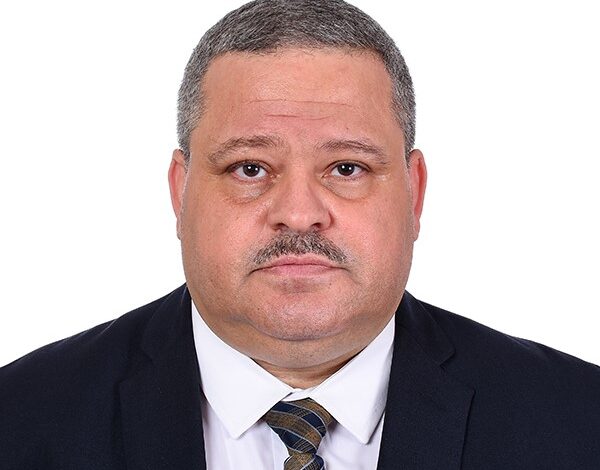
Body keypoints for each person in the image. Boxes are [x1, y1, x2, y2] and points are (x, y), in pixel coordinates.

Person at [1, 0, 599, 468]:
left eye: (347, 168)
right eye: (250, 168)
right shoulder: (20, 419)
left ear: (414, 194)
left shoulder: (579, 423)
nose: (298, 213)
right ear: (180, 191)